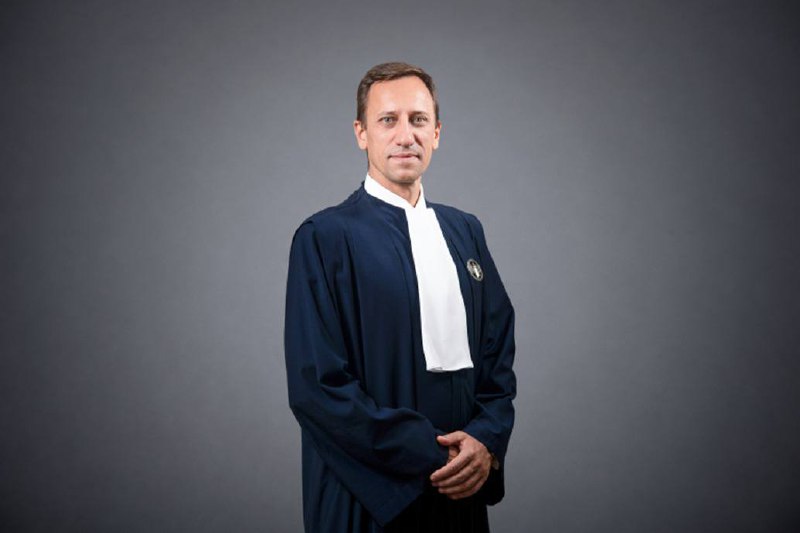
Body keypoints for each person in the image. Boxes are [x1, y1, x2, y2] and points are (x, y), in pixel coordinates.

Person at [284, 62, 516, 533]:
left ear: (437, 133)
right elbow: (318, 386)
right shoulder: (325, 236)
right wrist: (434, 452)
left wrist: (484, 440)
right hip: (366, 494)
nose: (405, 135)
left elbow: (498, 353)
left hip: (461, 485)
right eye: (388, 120)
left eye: (418, 120)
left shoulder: (465, 230)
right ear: (361, 133)